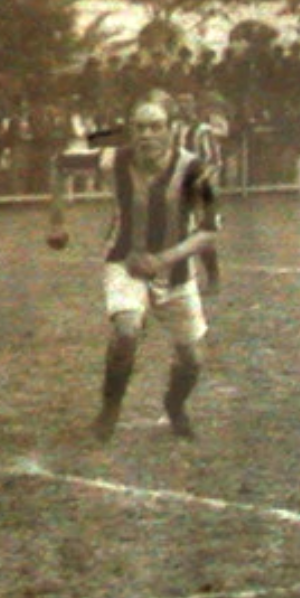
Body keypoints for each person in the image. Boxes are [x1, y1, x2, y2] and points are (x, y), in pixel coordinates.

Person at [91, 100, 219, 442]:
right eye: (139, 127)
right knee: (127, 331)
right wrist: (57, 222)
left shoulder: (194, 169)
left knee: (192, 360)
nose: (147, 134)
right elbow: (60, 162)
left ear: (170, 129)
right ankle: (110, 407)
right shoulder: (113, 160)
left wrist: (164, 259)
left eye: (155, 126)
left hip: (175, 271)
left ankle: (175, 405)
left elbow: (208, 229)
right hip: (125, 262)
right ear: (129, 131)